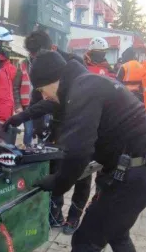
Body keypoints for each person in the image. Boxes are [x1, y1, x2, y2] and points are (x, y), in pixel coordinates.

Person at [29, 51, 146, 252]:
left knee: (86, 239)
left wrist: (58, 184)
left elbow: (78, 150)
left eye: (42, 90)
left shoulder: (83, 89)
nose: (44, 96)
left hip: (131, 176)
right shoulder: (89, 82)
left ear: (54, 80)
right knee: (118, 231)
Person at [7, 29, 91, 235]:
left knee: (83, 171)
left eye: (37, 54)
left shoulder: (73, 65)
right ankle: (55, 214)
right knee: (56, 166)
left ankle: (74, 217)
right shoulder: (40, 68)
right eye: (32, 55)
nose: (34, 59)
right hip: (58, 124)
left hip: (82, 123)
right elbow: (39, 98)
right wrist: (30, 121)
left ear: (51, 48)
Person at [14, 51, 34, 147]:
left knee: (42, 131)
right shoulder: (22, 66)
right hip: (27, 106)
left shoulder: (45, 64)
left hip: (42, 105)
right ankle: (27, 150)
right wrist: (18, 105)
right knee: (28, 131)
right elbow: (16, 87)